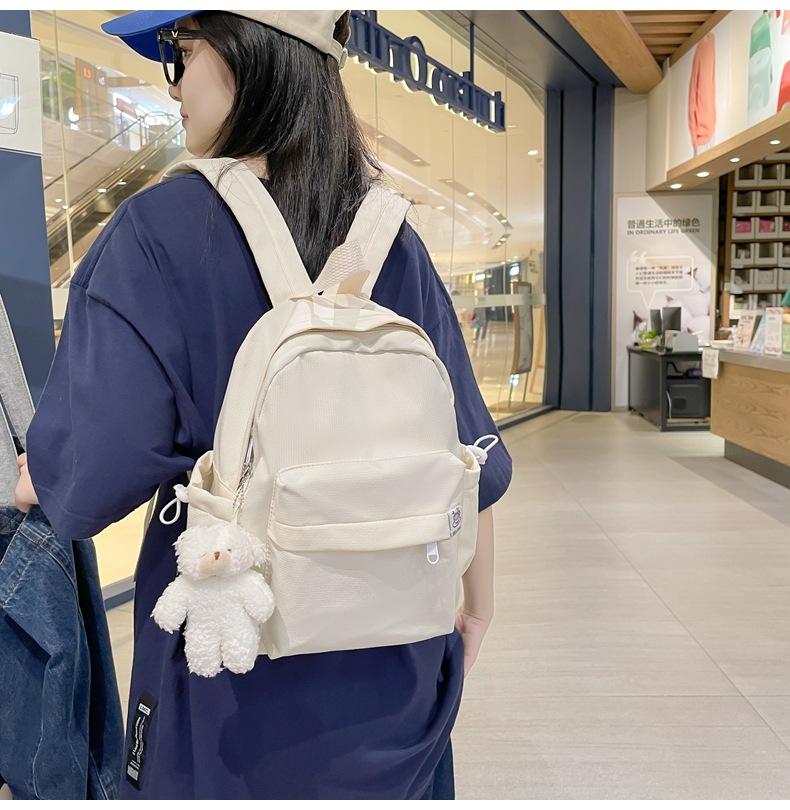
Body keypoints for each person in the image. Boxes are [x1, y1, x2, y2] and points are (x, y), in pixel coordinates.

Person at [15, 10, 512, 800]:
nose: (172, 85)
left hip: (228, 687)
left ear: (245, 52)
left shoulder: (155, 233)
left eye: (180, 54)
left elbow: (86, 482)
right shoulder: (393, 237)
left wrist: (33, 475)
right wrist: (478, 604)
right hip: (400, 674)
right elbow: (469, 459)